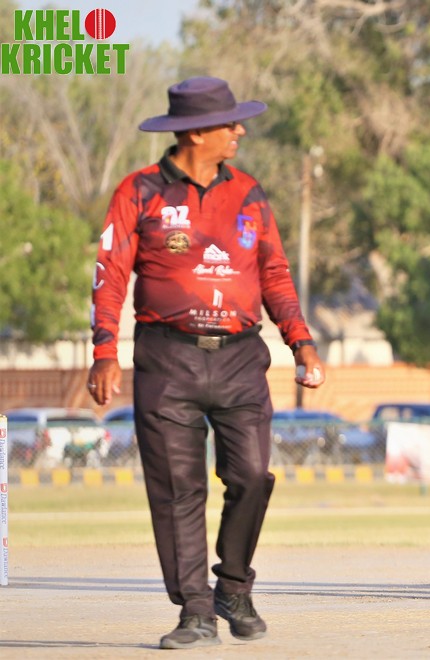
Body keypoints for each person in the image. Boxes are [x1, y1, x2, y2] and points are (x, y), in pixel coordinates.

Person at [86, 76, 326, 649]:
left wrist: (301, 341)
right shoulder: (140, 191)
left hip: (241, 357)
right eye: (229, 123)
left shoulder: (249, 193)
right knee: (177, 488)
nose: (239, 131)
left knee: (252, 476)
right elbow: (111, 272)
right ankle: (195, 610)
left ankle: (233, 586)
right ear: (195, 133)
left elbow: (274, 272)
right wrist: (103, 350)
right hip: (166, 358)